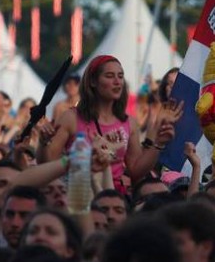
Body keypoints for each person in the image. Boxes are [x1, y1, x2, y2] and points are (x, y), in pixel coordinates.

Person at [38, 55, 182, 193]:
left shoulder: (129, 123)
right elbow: (48, 163)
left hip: (113, 198)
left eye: (120, 76)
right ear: (93, 81)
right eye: (109, 76)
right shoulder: (70, 117)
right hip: (79, 196)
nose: (117, 81)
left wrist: (158, 144)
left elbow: (135, 170)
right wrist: (43, 143)